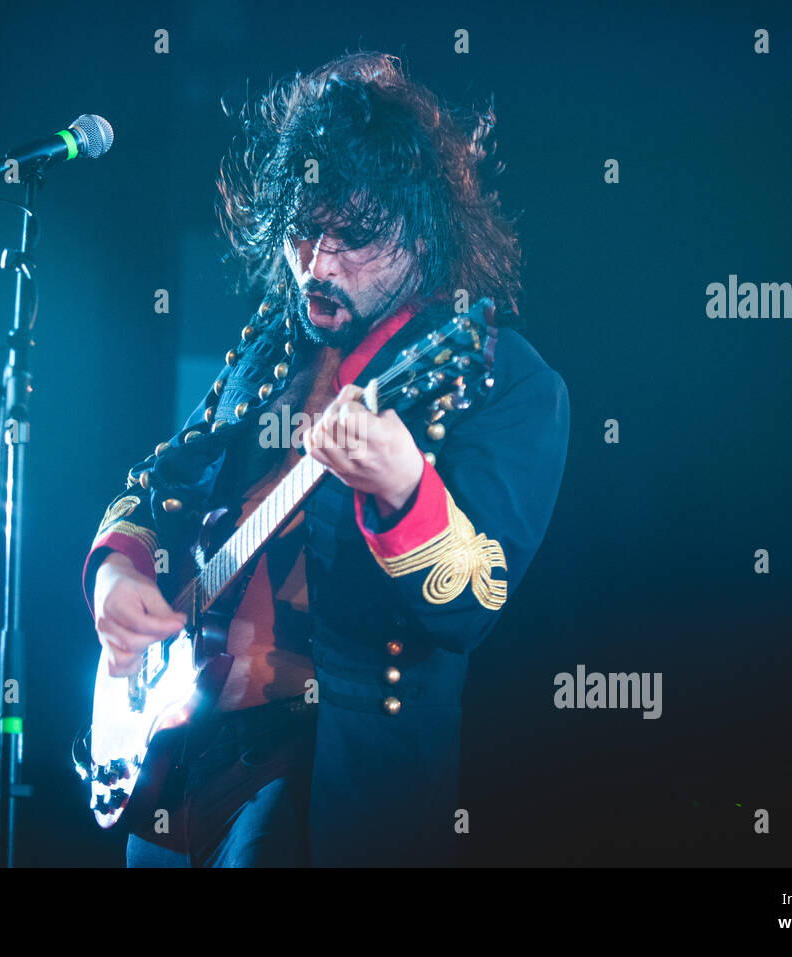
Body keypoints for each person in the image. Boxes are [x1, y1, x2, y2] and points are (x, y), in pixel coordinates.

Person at [82, 51, 569, 866]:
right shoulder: (274, 350)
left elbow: (474, 600)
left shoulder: (502, 380)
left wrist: (404, 487)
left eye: (351, 238)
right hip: (181, 764)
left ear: (422, 236)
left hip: (326, 778)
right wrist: (117, 573)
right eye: (303, 232)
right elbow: (160, 482)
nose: (317, 264)